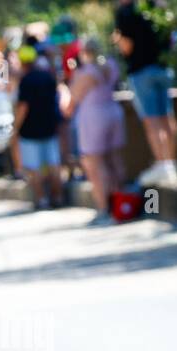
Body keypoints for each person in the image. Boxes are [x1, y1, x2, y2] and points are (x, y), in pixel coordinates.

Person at [114, 0, 177, 184]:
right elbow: (171, 38)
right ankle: (172, 164)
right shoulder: (158, 5)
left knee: (153, 120)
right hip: (163, 68)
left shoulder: (125, 12)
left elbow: (127, 47)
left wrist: (119, 40)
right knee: (167, 117)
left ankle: (162, 164)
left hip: (141, 71)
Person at [70, 37, 128, 223]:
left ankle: (104, 208)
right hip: (113, 112)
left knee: (95, 164)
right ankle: (121, 205)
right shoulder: (111, 65)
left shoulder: (86, 72)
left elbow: (72, 100)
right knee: (114, 160)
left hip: (93, 117)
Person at [13, 46, 65, 209]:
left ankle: (42, 199)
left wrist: (15, 128)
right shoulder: (47, 77)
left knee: (33, 168)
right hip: (50, 127)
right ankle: (58, 197)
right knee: (54, 163)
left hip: (30, 131)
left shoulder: (25, 81)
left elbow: (23, 107)